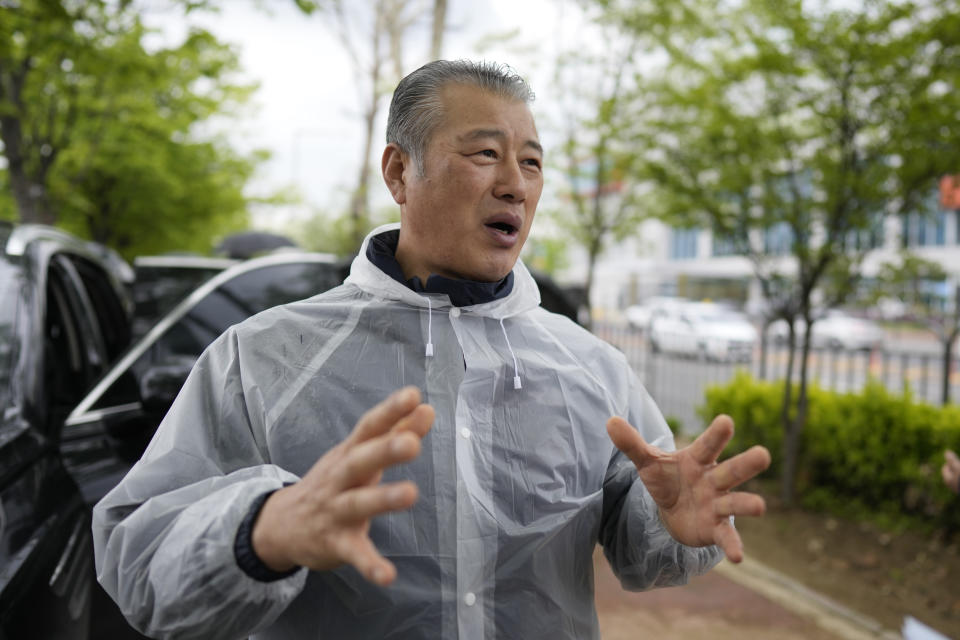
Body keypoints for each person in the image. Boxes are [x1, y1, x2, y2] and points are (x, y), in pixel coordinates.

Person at [93, 60, 772, 640]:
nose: (516, 182)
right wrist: (259, 533)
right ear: (399, 172)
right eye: (485, 154)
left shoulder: (592, 369)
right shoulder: (264, 357)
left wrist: (669, 519)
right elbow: (138, 562)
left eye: (531, 162)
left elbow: (641, 544)